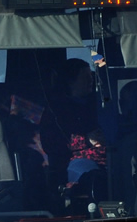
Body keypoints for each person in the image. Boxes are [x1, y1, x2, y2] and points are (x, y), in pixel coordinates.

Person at [39, 58, 107, 187]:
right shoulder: (56, 110)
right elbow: (50, 143)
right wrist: (86, 140)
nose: (91, 81)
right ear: (70, 81)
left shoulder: (97, 104)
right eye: (85, 77)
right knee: (95, 180)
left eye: (91, 76)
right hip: (73, 162)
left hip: (108, 158)